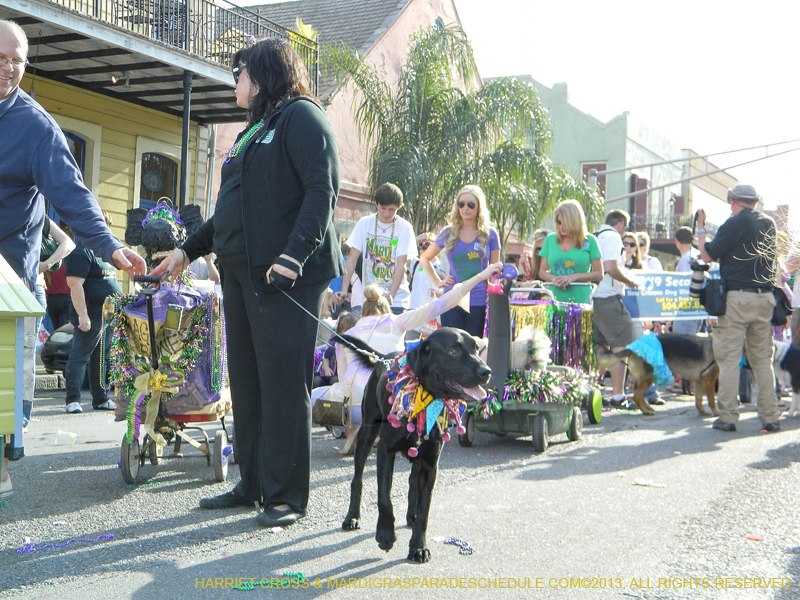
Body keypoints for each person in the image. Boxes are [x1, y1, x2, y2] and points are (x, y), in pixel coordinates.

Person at [152, 38, 342, 527]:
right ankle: (253, 483)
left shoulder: (302, 117)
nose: (234, 80)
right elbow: (228, 211)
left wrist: (293, 256)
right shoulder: (254, 129)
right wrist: (185, 251)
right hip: (239, 273)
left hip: (282, 277)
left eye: (239, 72)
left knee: (282, 385)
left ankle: (286, 497)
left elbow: (322, 190)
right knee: (250, 385)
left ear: (262, 74)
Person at [0, 19, 145, 501]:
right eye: (0, 58)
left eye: (16, 60)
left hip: (9, 278)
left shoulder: (35, 127)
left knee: (5, 381)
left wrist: (109, 246)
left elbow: (72, 194)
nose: (8, 68)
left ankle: (3, 456)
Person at [328, 262, 504, 453]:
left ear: (362, 313)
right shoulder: (396, 320)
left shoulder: (350, 330)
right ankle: (412, 439)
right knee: (417, 383)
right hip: (391, 406)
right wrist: (481, 275)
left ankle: (354, 431)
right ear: (386, 309)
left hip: (350, 407)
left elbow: (342, 376)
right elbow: (442, 303)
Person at [696, 184, 780, 432]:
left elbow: (707, 255)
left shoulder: (732, 224)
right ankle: (770, 416)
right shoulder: (769, 224)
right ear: (754, 201)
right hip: (764, 298)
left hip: (737, 299)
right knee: (762, 360)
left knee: (730, 358)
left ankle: (728, 417)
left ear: (732, 200)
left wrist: (701, 227)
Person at [419, 185, 501, 337]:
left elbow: (494, 271)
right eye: (461, 204)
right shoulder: (448, 232)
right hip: (451, 299)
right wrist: (437, 282)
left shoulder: (490, 234)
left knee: (474, 348)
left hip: (479, 301)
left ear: (479, 208)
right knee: (450, 349)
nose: (465, 208)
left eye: (471, 205)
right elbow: (425, 258)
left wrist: (494, 293)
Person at [64, 212, 122, 413]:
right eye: (102, 226)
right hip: (90, 312)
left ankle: (100, 398)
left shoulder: (103, 251)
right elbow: (75, 285)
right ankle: (73, 400)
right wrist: (83, 315)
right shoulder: (81, 250)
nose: (105, 230)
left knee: (101, 357)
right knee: (80, 356)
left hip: (107, 314)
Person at [23, 218, 75, 428]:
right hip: (15, 286)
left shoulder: (39, 217)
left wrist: (46, 264)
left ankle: (23, 414)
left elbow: (68, 244)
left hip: (33, 287)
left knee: (26, 351)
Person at [335, 183, 416, 314]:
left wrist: (391, 295)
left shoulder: (404, 227)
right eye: (383, 208)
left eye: (391, 209)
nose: (386, 213)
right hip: (366, 299)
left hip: (396, 301)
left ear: (398, 208)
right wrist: (344, 290)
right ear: (376, 204)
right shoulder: (364, 223)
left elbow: (401, 265)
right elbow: (352, 259)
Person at [592, 209, 639, 408]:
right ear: (620, 224)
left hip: (591, 297)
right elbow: (610, 267)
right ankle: (618, 396)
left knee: (599, 347)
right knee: (621, 345)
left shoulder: (594, 236)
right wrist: (630, 281)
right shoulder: (612, 236)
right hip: (607, 298)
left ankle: (591, 390)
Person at [537, 199, 603, 304]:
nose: (561, 227)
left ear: (575, 221)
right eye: (559, 222)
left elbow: (599, 274)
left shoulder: (590, 241)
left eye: (565, 223)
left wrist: (575, 276)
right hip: (555, 301)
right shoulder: (550, 239)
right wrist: (554, 279)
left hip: (581, 301)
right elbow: (542, 271)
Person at [406, 232, 444, 340]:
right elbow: (401, 255)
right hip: (414, 309)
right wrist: (416, 238)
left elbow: (448, 289)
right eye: (420, 245)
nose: (424, 248)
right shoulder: (415, 263)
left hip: (433, 313)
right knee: (411, 345)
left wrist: (438, 293)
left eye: (427, 244)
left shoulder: (441, 266)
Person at [313, 312, 359, 388]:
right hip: (329, 373)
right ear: (339, 332)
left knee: (334, 381)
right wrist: (326, 368)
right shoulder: (334, 342)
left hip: (340, 376)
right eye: (345, 332)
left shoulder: (355, 347)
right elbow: (325, 357)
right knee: (316, 381)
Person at [672, 226, 702, 336]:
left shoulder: (686, 259)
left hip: (686, 308)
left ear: (676, 241)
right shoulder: (697, 255)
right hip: (697, 307)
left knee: (683, 341)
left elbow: (685, 285)